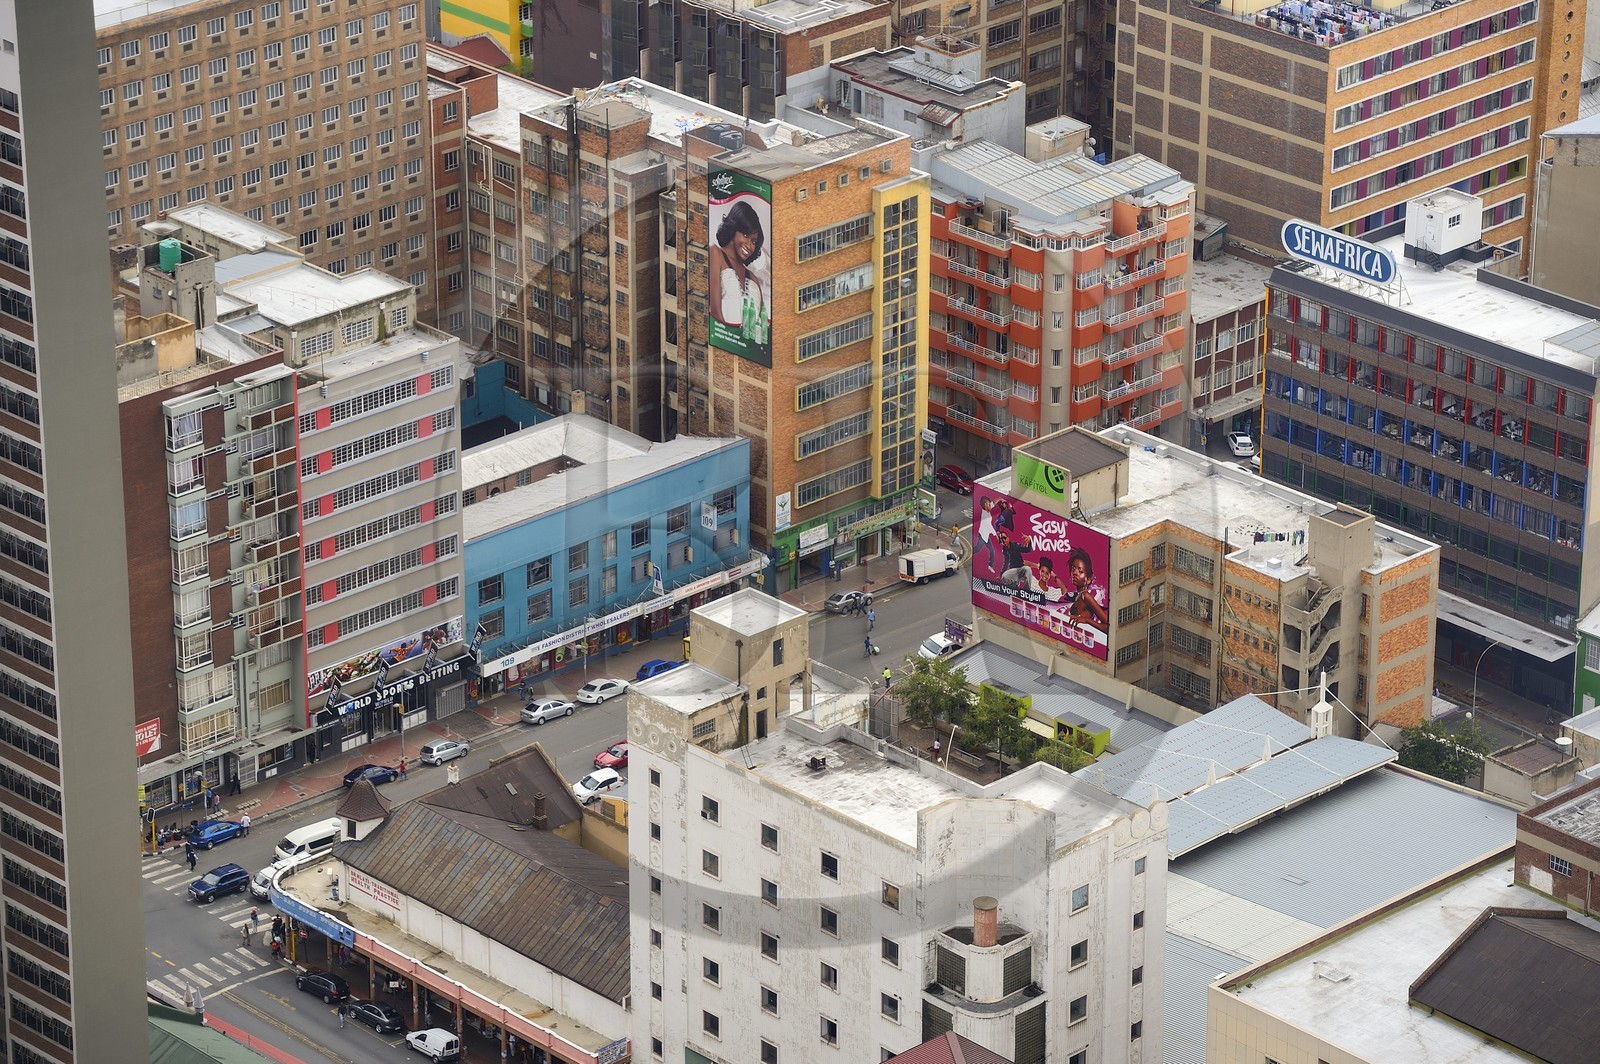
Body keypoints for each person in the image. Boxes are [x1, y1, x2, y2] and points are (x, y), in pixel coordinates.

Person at [708, 199, 769, 340]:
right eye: (746, 235)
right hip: (724, 340)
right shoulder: (715, 253)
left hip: (749, 347)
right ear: (733, 229)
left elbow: (761, 324)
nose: (749, 245)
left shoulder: (753, 278)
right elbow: (715, 310)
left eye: (754, 241)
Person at [1064, 548, 1109, 632]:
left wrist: (1087, 620)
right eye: (1073, 569)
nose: (1075, 573)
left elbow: (1108, 627)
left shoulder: (1086, 596)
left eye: (1080, 571)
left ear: (1088, 579)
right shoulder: (1078, 595)